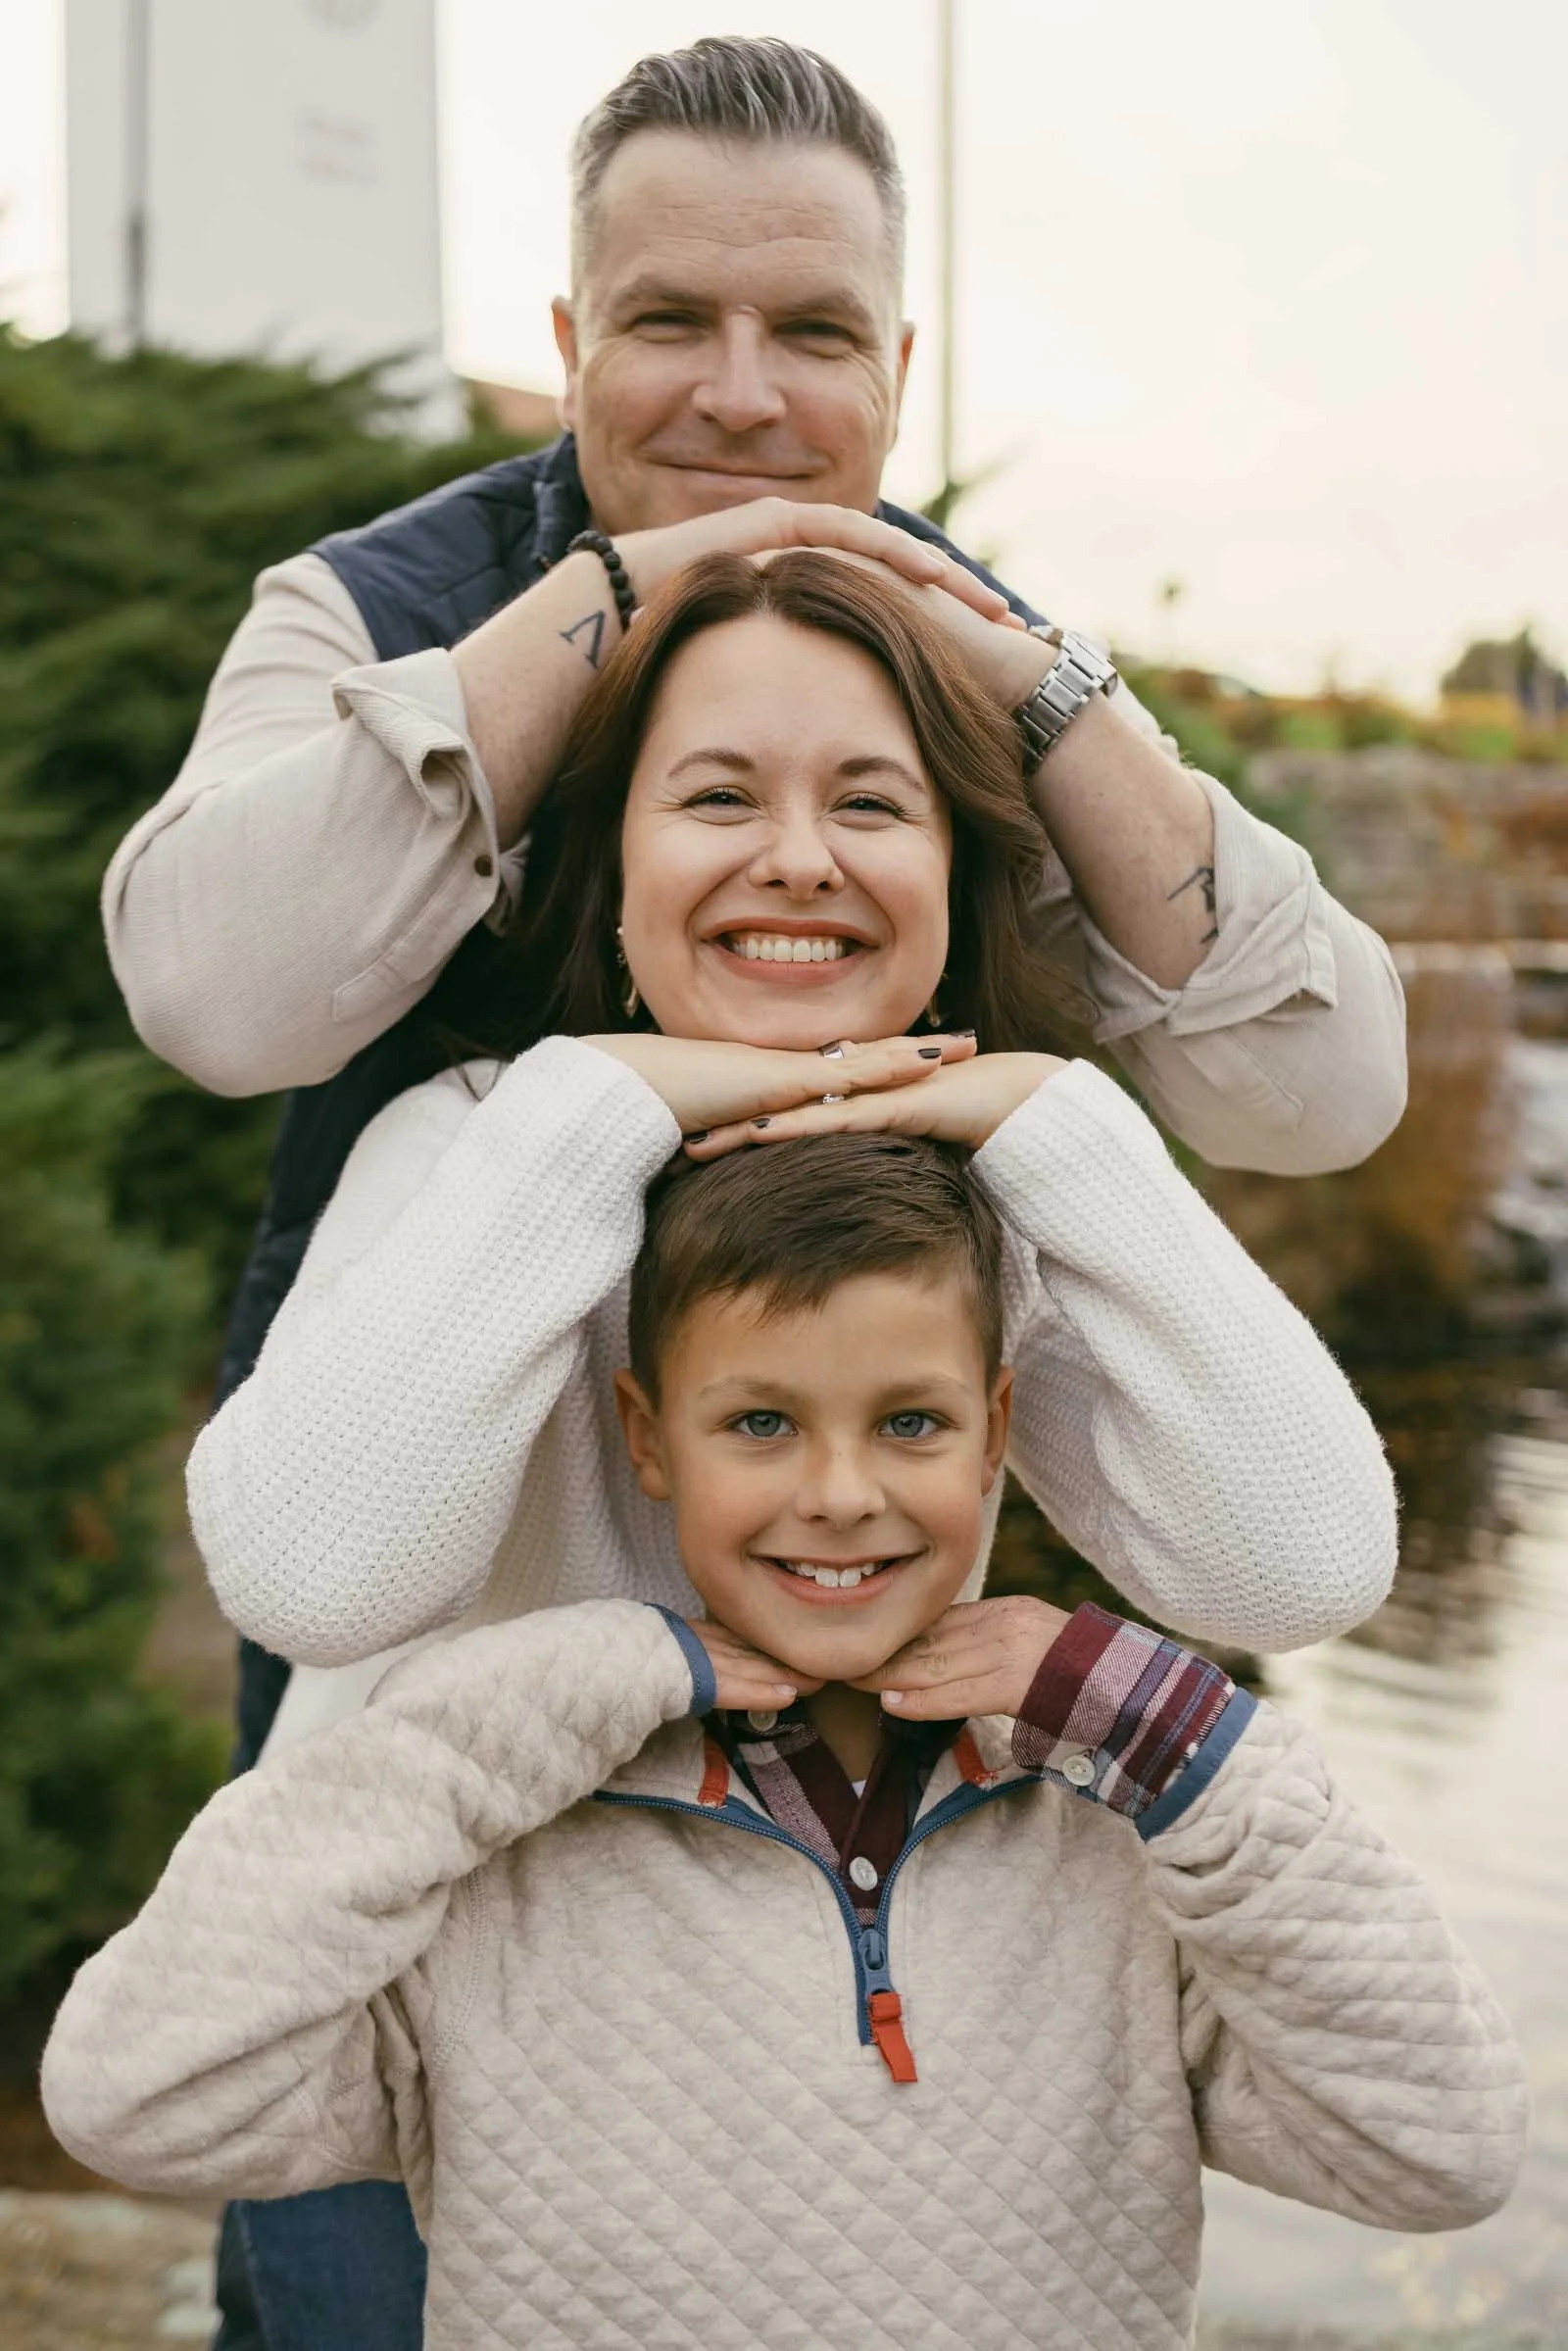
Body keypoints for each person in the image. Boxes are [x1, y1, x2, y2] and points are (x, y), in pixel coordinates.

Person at [180, 547, 1402, 2346]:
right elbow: (314, 1570)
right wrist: (600, 1104)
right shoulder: (466, 1148)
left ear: (950, 870)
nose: (801, 857)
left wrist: (1063, 1122)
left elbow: (1298, 1564)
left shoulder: (994, 1194)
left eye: (872, 804)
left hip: (809, 2055)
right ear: (615, 876)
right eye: (719, 796)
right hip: (435, 2050)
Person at [43, 1132, 1526, 2351]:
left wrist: (1170, 1723)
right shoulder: (512, 1860)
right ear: (646, 1436)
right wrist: (572, 1678)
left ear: (998, 1426)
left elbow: (1437, 2148)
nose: (838, 1492)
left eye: (911, 1423)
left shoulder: (1109, 1839)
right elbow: (139, 2091)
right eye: (758, 1423)